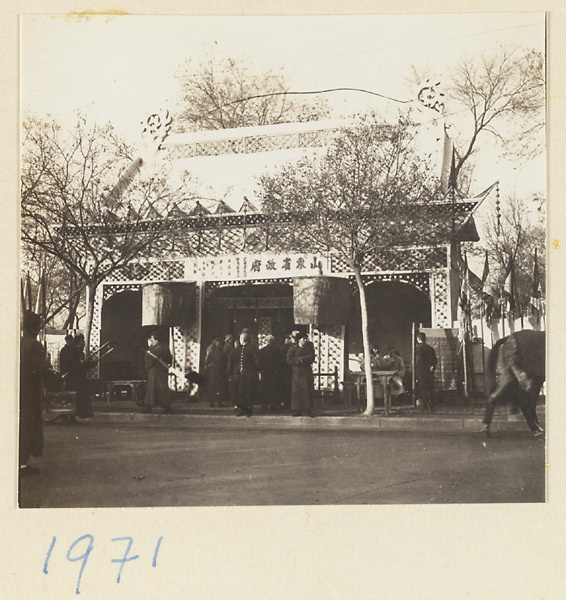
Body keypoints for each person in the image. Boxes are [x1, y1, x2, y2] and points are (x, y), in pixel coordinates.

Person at [19, 311, 47, 476]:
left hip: (16, 390)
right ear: (36, 328)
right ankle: (22, 464)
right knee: (28, 427)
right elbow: (38, 371)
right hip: (30, 393)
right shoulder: (35, 346)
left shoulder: (18, 343)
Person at [228, 330, 260, 417]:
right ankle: (242, 409)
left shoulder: (251, 348)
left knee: (249, 392)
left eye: (241, 338)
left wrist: (256, 369)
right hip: (243, 373)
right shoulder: (242, 348)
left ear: (244, 339)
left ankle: (249, 409)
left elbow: (257, 359)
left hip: (250, 374)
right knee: (241, 392)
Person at [142, 331, 173, 414]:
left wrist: (149, 347)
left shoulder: (156, 348)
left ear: (155, 339)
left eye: (151, 338)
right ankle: (166, 406)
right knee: (162, 388)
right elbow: (170, 358)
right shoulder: (165, 347)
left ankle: (149, 406)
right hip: (163, 370)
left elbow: (149, 359)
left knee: (152, 388)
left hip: (154, 370)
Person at [286, 332, 316, 418]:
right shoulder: (293, 349)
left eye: (306, 339)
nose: (305, 340)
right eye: (303, 339)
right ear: (299, 340)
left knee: (307, 391)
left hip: (306, 372)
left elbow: (311, 357)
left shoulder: (309, 349)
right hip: (296, 373)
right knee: (296, 391)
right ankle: (297, 409)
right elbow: (288, 359)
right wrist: (298, 361)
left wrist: (301, 359)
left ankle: (308, 409)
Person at [69, 334, 94, 419]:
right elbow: (72, 365)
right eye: (82, 342)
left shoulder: (81, 353)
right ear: (78, 343)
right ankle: (73, 415)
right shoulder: (74, 351)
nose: (84, 344)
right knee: (78, 397)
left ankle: (81, 414)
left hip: (81, 378)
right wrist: (82, 364)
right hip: (75, 379)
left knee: (83, 397)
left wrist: (89, 365)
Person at [258, 335, 284, 411]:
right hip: (274, 372)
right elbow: (280, 361)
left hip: (265, 372)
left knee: (264, 388)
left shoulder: (261, 351)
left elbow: (259, 362)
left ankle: (264, 405)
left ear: (266, 341)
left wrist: (260, 370)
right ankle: (274, 405)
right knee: (274, 388)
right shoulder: (277, 350)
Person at [415, 332, 438, 411]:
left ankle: (424, 404)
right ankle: (431, 405)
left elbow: (420, 361)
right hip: (430, 371)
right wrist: (432, 367)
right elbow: (435, 360)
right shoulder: (431, 348)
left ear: (418, 339)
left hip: (422, 371)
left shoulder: (419, 348)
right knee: (430, 388)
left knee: (423, 388)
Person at [204, 339, 229, 407]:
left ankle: (211, 402)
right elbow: (226, 363)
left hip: (212, 372)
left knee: (212, 387)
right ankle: (219, 402)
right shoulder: (223, 354)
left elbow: (207, 361)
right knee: (220, 387)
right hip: (220, 372)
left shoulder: (211, 354)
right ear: (221, 346)